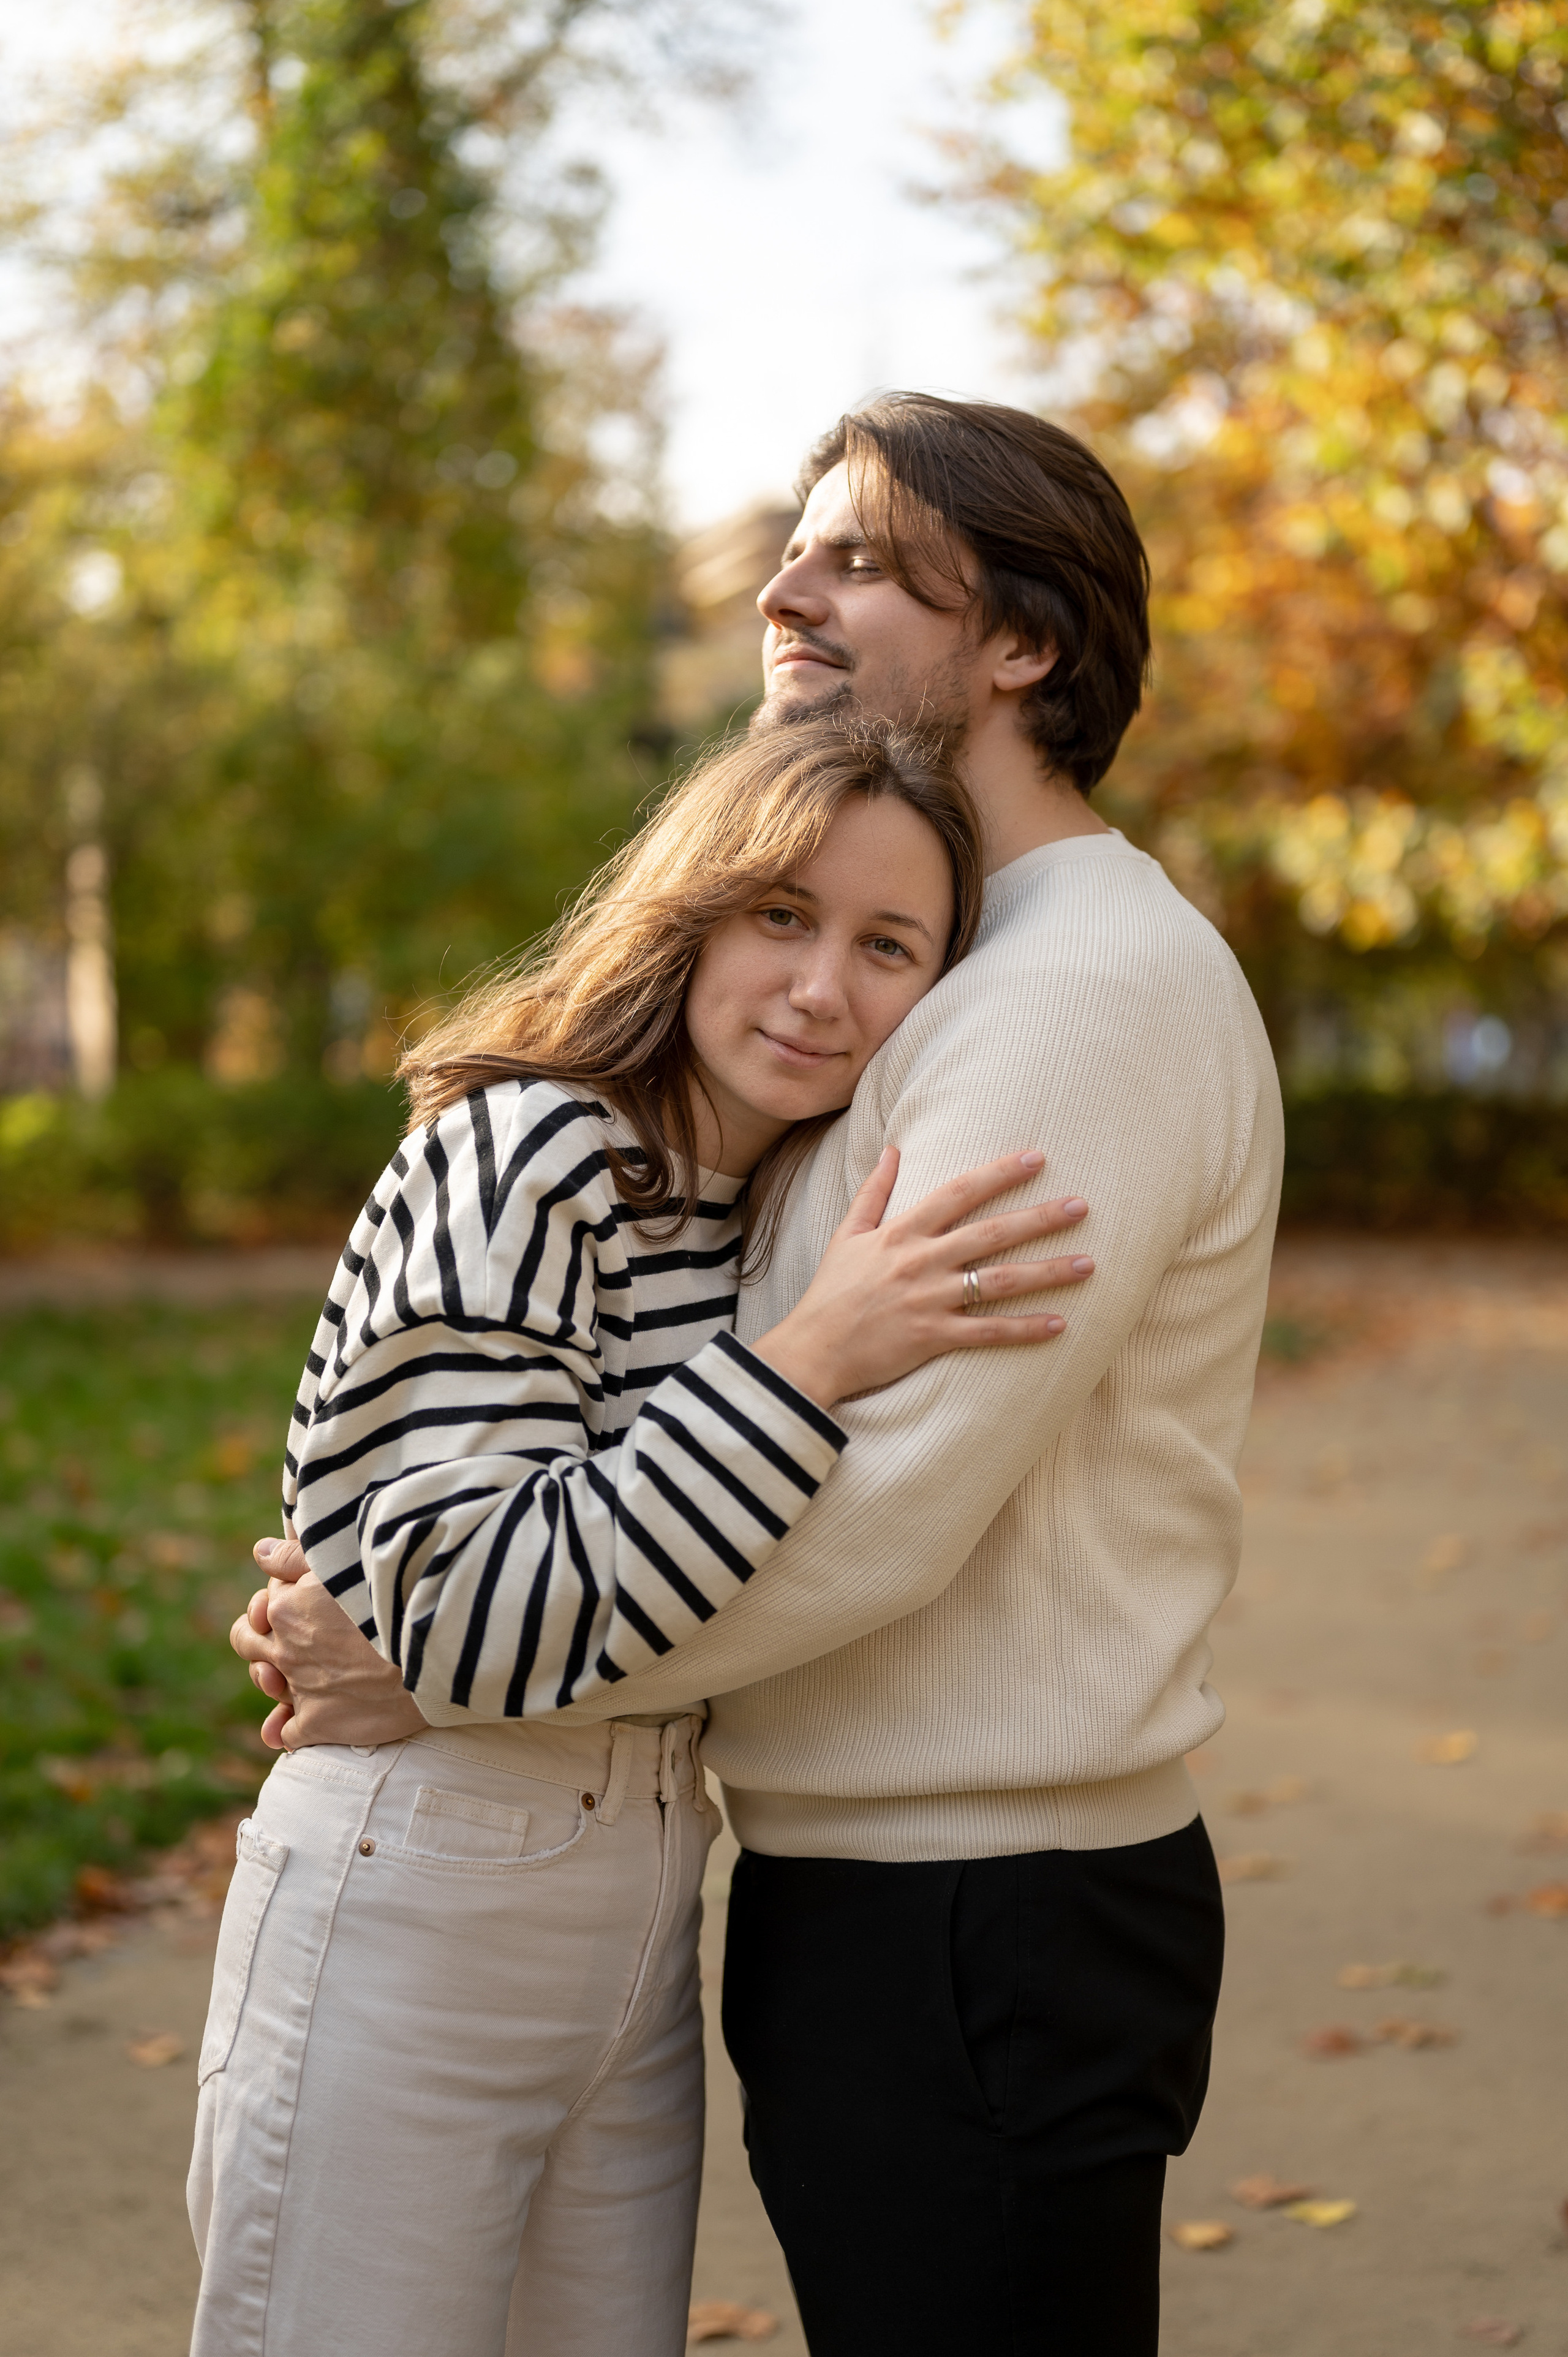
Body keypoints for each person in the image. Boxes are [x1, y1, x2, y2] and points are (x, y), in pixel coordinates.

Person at [243, 393, 1284, 2355]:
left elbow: (886, 1500)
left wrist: (449, 1656)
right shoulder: (951, 971)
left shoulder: (1071, 994)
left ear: (1024, 642)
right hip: (873, 1885)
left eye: (863, 561)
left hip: (982, 1901)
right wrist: (444, 1590)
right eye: (794, 552)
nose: (784, 591)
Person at [193, 714, 1096, 2357]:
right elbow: (470, 1610)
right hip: (420, 1891)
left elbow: (517, 1616)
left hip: (647, 1901)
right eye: (781, 915)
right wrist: (806, 1363)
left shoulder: (767, 1211)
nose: (821, 987)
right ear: (688, 910)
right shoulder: (530, 1153)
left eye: (887, 945)